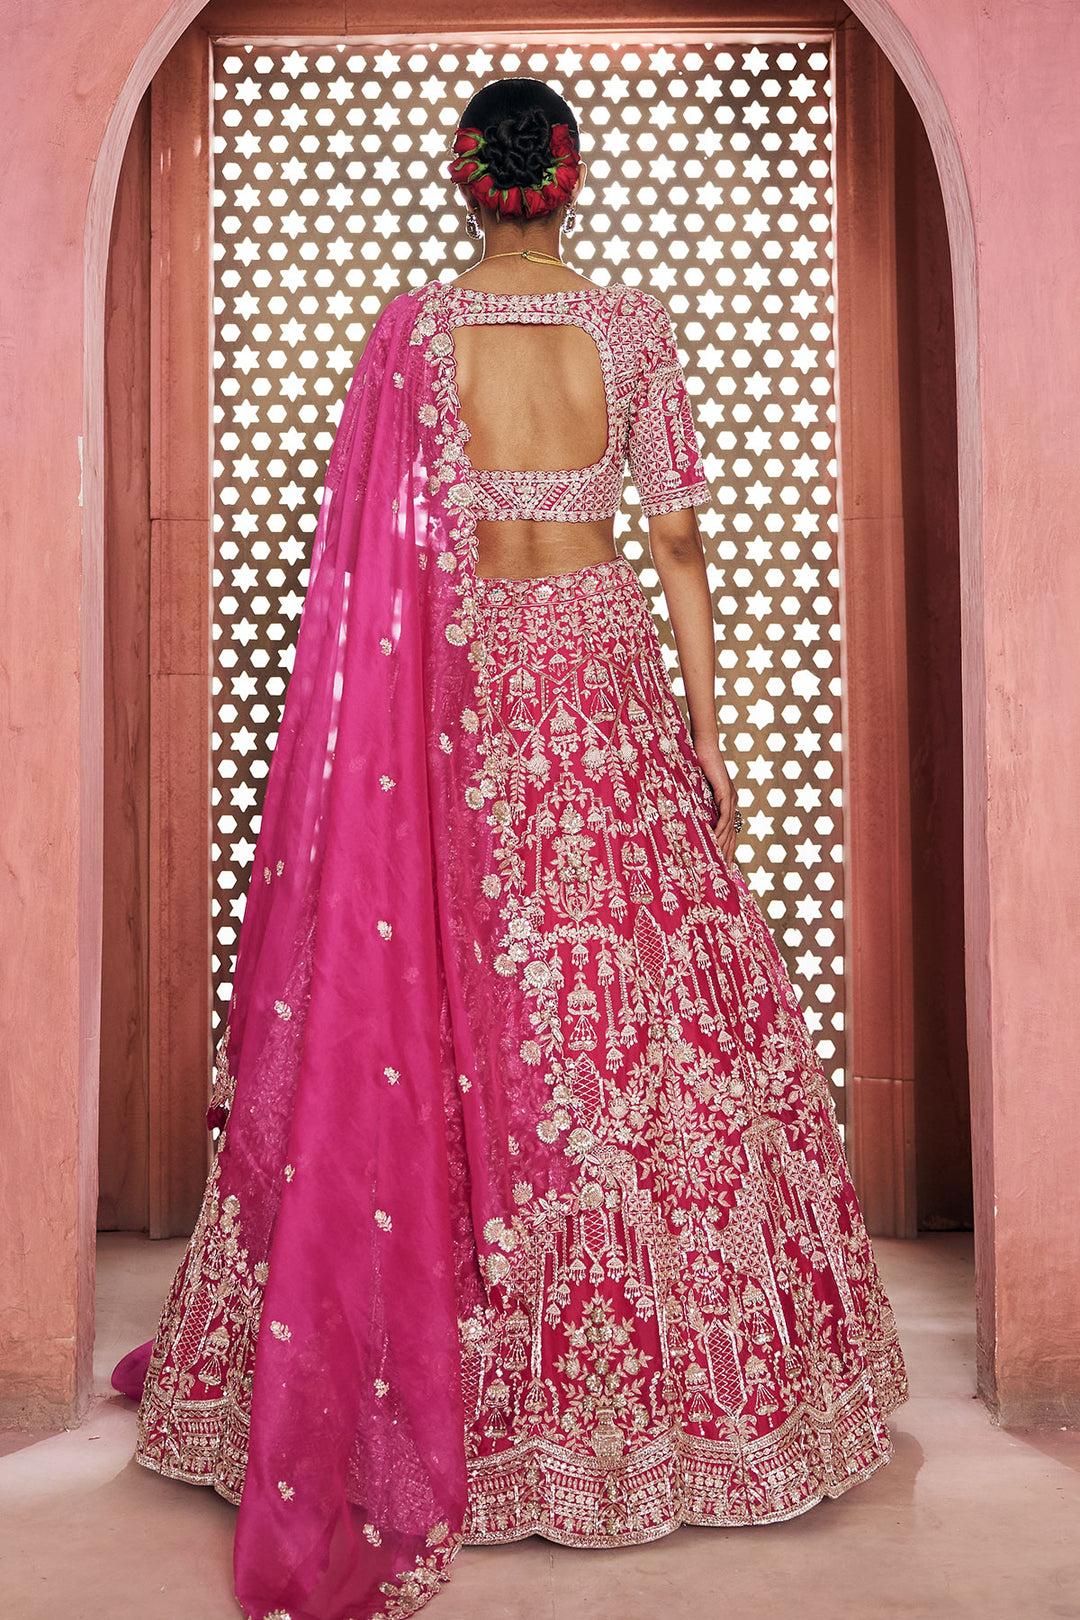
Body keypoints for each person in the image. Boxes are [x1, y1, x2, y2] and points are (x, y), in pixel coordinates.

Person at [113, 76, 907, 1620]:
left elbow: (380, 554)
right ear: (572, 176)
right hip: (603, 659)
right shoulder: (635, 328)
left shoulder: (413, 334)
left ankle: (449, 1383)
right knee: (640, 999)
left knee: (464, 989)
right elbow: (678, 538)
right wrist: (711, 730)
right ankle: (672, 1410)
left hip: (465, 687)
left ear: (466, 174)